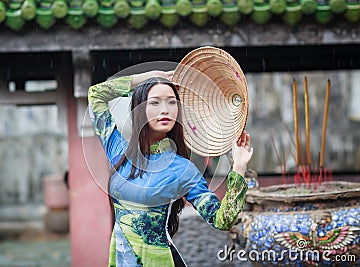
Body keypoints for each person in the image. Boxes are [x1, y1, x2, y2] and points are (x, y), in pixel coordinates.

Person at [88, 70, 253, 267]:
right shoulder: (117, 150)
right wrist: (147, 77)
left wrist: (239, 167)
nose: (165, 109)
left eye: (171, 102)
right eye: (155, 102)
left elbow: (222, 220)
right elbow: (96, 95)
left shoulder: (182, 169)